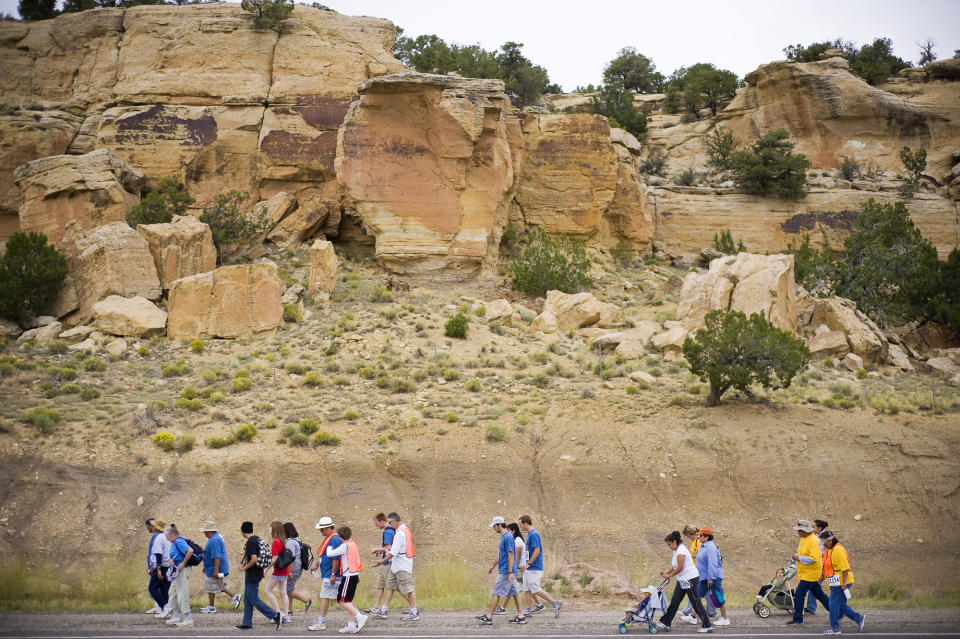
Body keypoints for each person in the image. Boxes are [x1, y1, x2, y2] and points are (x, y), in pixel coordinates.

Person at [654, 531, 713, 634]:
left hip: (690, 579)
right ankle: (666, 622)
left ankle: (707, 625)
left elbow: (680, 567)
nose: (669, 547)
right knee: (675, 600)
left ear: (675, 541)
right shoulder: (676, 550)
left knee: (696, 602)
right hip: (683, 580)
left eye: (669, 544)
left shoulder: (681, 551)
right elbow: (674, 565)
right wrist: (666, 571)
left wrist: (669, 575)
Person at [476, 516, 524, 626]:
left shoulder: (507, 537)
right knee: (515, 592)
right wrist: (492, 565)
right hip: (506, 569)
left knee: (496, 593)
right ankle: (521, 616)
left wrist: (510, 572)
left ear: (499, 525)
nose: (493, 528)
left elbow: (511, 554)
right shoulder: (504, 537)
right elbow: (502, 555)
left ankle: (488, 617)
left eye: (494, 526)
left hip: (506, 571)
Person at [372, 512, 419, 621]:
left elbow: (392, 552)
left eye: (390, 522)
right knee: (390, 586)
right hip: (397, 565)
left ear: (394, 521)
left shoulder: (399, 534)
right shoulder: (404, 530)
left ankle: (414, 612)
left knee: (408, 589)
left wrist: (380, 562)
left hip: (402, 565)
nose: (390, 524)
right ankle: (384, 609)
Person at [236, 521, 282, 631]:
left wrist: (243, 568)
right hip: (257, 573)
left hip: (253, 574)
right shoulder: (256, 539)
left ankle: (274, 615)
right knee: (247, 599)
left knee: (253, 598)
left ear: (243, 531)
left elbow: (254, 560)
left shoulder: (251, 541)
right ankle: (247, 624)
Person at [820, 531, 865, 635]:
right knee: (840, 605)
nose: (823, 544)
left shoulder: (838, 550)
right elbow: (826, 565)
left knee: (833, 605)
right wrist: (822, 576)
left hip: (841, 582)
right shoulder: (828, 550)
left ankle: (835, 628)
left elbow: (845, 568)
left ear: (830, 541)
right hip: (835, 582)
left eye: (824, 542)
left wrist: (844, 583)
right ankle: (859, 618)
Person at [324, 526, 369, 633]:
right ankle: (351, 625)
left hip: (348, 576)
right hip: (354, 575)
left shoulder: (345, 546)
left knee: (342, 599)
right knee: (348, 600)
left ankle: (359, 616)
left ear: (340, 536)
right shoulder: (353, 544)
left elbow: (330, 554)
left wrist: (329, 546)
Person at [787, 519, 830, 625]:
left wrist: (799, 558)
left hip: (811, 573)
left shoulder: (813, 541)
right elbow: (801, 553)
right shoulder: (804, 538)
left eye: (799, 530)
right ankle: (837, 612)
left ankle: (798, 619)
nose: (798, 532)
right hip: (807, 572)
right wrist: (794, 558)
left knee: (799, 594)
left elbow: (813, 558)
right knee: (819, 595)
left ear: (805, 530)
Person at [518, 515, 561, 617]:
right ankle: (528, 609)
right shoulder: (530, 534)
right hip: (529, 567)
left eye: (520, 524)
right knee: (527, 588)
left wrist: (528, 564)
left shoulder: (534, 534)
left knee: (535, 588)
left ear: (525, 523)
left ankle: (555, 603)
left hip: (534, 567)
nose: (520, 527)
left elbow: (537, 550)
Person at [308, 516, 343, 631]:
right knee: (343, 599)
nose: (320, 531)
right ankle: (357, 616)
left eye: (321, 529)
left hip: (331, 574)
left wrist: (333, 573)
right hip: (329, 573)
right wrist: (317, 564)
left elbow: (336, 558)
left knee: (324, 597)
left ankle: (321, 622)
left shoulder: (334, 539)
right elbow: (325, 555)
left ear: (327, 528)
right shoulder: (330, 538)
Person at [199, 521, 241, 614]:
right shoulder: (217, 537)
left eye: (205, 531)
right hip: (214, 567)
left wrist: (215, 570)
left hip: (217, 568)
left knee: (211, 586)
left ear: (208, 531)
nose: (204, 533)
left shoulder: (214, 540)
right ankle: (233, 597)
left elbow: (217, 556)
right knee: (219, 585)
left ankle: (212, 606)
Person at [692, 527, 730, 626]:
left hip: (712, 577)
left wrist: (711, 578)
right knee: (698, 595)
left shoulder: (711, 548)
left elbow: (712, 564)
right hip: (704, 577)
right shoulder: (704, 546)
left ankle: (725, 618)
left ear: (707, 537)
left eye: (701, 535)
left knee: (718, 596)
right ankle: (692, 616)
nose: (699, 537)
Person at [679, 524, 715, 623]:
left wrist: (689, 555)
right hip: (698, 570)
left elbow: (702, 556)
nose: (687, 537)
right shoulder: (694, 542)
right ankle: (700, 613)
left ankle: (715, 613)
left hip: (700, 571)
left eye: (687, 535)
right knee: (700, 593)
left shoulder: (700, 542)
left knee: (709, 593)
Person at [162, 523, 195, 627]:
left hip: (183, 570)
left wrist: (182, 563)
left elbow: (190, 551)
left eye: (168, 538)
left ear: (171, 535)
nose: (167, 540)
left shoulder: (179, 541)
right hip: (177, 570)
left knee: (182, 592)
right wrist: (173, 562)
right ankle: (175, 615)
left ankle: (188, 618)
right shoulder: (176, 542)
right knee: (173, 592)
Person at [366, 513, 395, 618]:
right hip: (384, 562)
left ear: (382, 521)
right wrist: (380, 551)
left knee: (391, 586)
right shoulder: (390, 531)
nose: (375, 525)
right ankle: (377, 606)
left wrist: (377, 549)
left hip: (388, 563)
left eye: (376, 523)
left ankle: (412, 606)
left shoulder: (388, 532)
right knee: (380, 585)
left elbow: (389, 548)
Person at [283, 522, 312, 618]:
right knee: (289, 588)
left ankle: (307, 601)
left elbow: (290, 558)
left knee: (288, 590)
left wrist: (288, 571)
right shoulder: (296, 540)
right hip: (297, 567)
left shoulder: (290, 542)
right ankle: (289, 610)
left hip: (293, 568)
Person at [265, 520, 291, 624]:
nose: (269, 529)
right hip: (284, 570)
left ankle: (278, 614)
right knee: (283, 593)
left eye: (270, 527)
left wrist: (266, 569)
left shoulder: (276, 541)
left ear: (274, 528)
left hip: (278, 571)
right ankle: (286, 616)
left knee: (268, 590)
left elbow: (275, 558)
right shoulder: (282, 540)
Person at [145, 518, 171, 617]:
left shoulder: (159, 537)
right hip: (167, 566)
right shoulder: (166, 536)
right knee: (164, 589)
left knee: (152, 588)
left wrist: (158, 568)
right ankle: (165, 611)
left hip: (161, 566)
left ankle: (164, 606)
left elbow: (158, 554)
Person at [805, 519, 829, 615]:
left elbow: (828, 553)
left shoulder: (826, 537)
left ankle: (836, 607)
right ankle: (811, 608)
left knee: (815, 587)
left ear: (820, 528)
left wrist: (823, 571)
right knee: (814, 587)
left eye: (813, 527)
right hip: (817, 565)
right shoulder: (815, 536)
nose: (811, 528)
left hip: (824, 565)